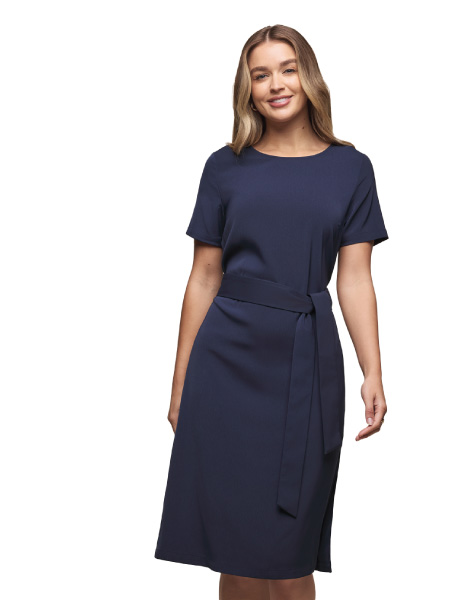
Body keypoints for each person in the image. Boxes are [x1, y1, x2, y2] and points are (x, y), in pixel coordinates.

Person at [155, 24, 389, 600]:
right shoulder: (224, 166)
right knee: (235, 554)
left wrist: (373, 371)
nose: (276, 84)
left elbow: (355, 278)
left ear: (309, 77)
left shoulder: (351, 168)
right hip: (225, 366)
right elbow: (203, 276)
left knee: (287, 557)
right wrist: (181, 379)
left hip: (304, 364)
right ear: (248, 89)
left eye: (287, 69)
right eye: (260, 75)